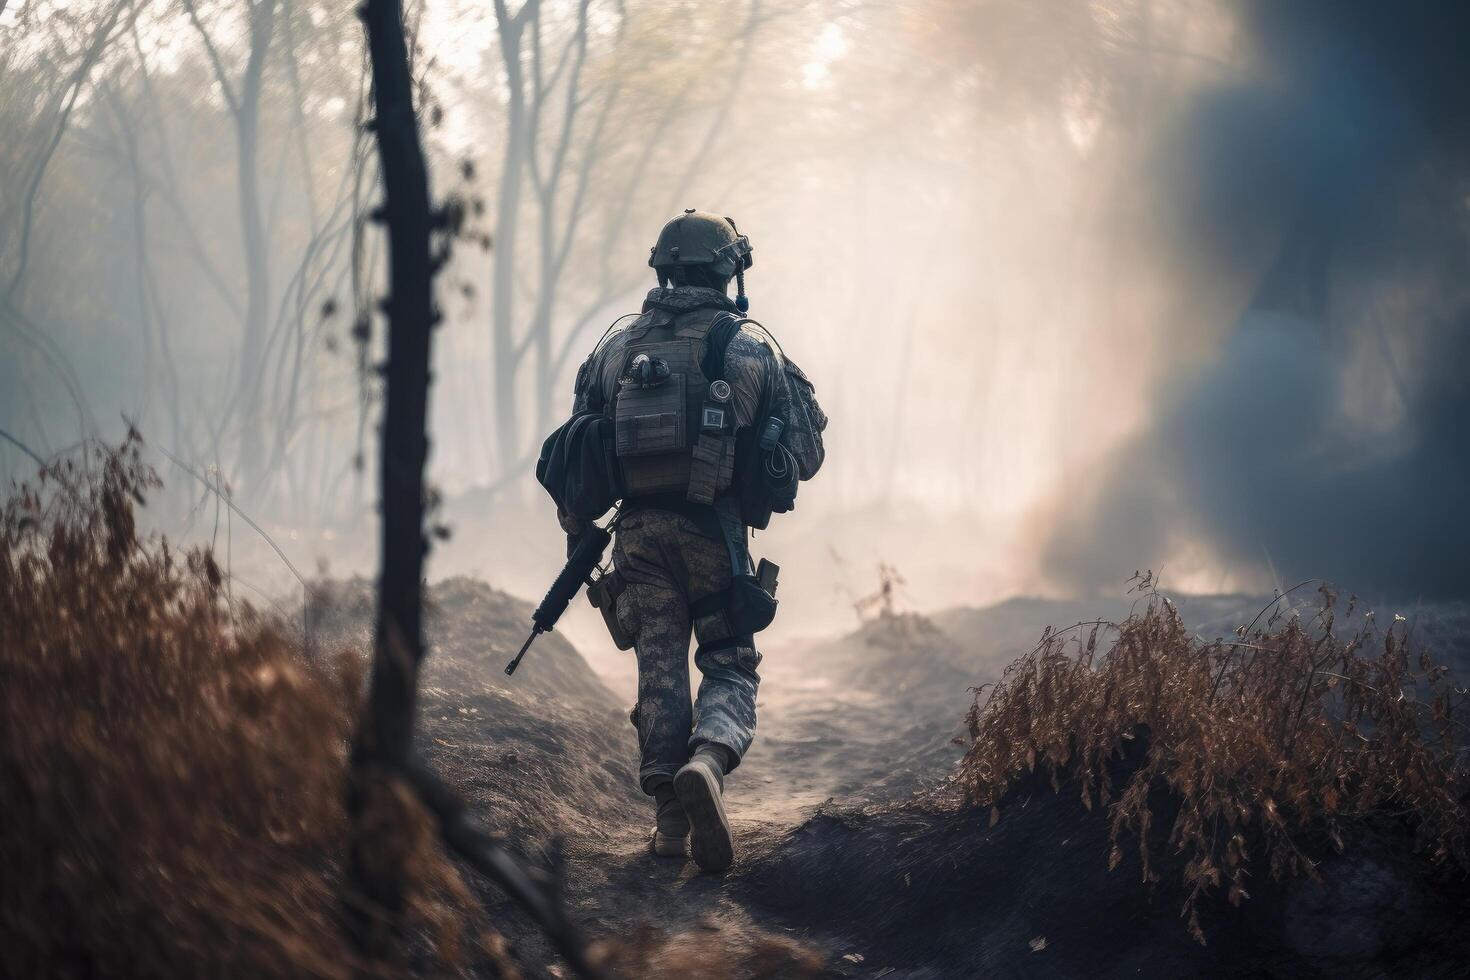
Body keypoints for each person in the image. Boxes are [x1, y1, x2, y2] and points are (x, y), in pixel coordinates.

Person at [556, 210, 826, 872]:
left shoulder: (616, 349)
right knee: (730, 660)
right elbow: (806, 452)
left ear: (663, 270)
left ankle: (670, 824)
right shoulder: (748, 348)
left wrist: (577, 539)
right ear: (729, 271)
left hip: (638, 537)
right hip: (714, 532)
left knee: (659, 671)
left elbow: (576, 454)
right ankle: (708, 760)